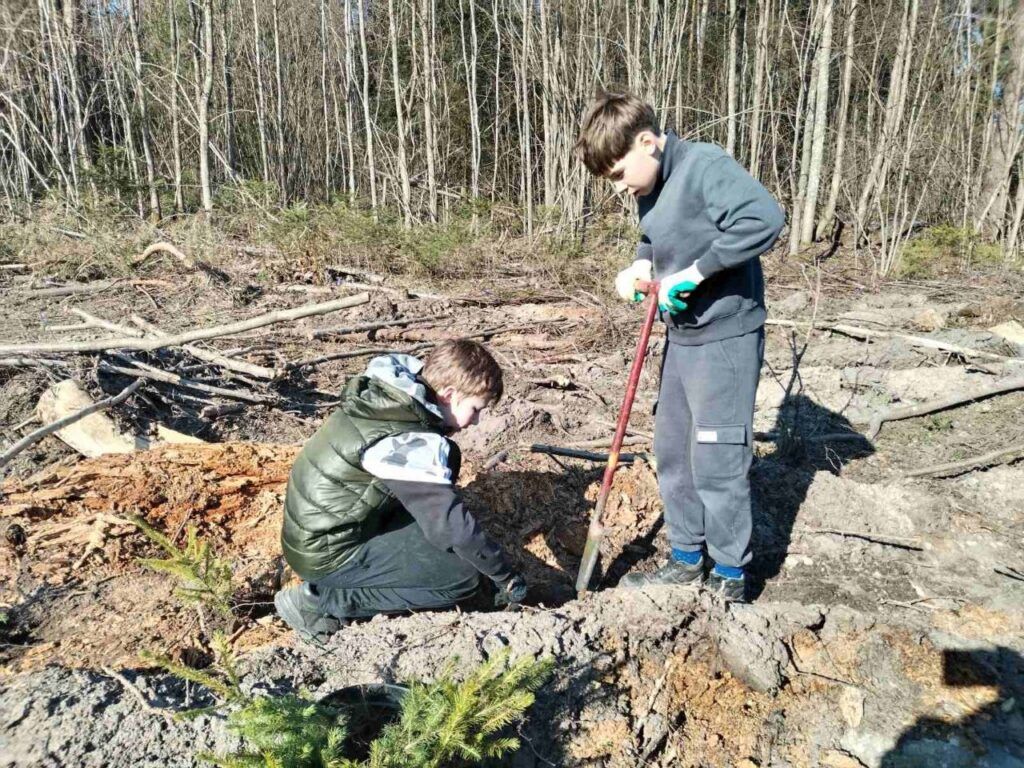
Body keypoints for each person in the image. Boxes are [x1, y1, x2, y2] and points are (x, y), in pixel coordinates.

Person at [575, 91, 785, 602]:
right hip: (683, 334)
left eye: (621, 173)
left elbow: (764, 220)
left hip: (725, 336)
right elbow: (657, 233)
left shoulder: (705, 166)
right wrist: (642, 262)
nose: (621, 188)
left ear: (647, 142)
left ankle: (730, 574)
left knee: (716, 458)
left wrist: (697, 272)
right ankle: (687, 559)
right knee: (672, 452)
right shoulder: (652, 184)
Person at [274, 339, 526, 642]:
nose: (476, 421)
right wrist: (506, 578)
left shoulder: (392, 397)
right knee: (461, 577)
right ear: (448, 395)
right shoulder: (405, 442)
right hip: (327, 551)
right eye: (475, 409)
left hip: (328, 526)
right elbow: (453, 529)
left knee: (448, 534)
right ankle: (318, 602)